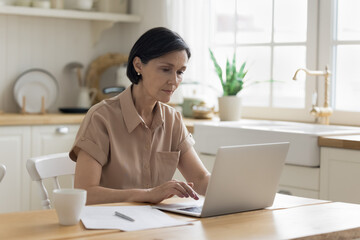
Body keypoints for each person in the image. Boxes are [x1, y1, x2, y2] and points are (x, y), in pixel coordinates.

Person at [70, 27, 210, 205]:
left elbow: (200, 179)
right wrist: (146, 194)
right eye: (166, 69)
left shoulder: (173, 119)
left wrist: (241, 191)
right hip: (109, 224)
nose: (174, 81)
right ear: (138, 65)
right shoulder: (101, 117)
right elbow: (85, 194)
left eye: (180, 72)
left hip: (154, 224)